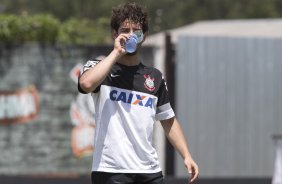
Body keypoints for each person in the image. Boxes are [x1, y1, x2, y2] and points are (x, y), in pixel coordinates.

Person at [78, 2, 199, 184]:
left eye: (136, 30)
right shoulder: (100, 68)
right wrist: (116, 52)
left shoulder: (154, 77)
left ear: (144, 36)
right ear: (115, 34)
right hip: (111, 170)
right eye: (125, 30)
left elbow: (168, 120)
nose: (130, 35)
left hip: (149, 171)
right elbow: (86, 84)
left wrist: (187, 156)